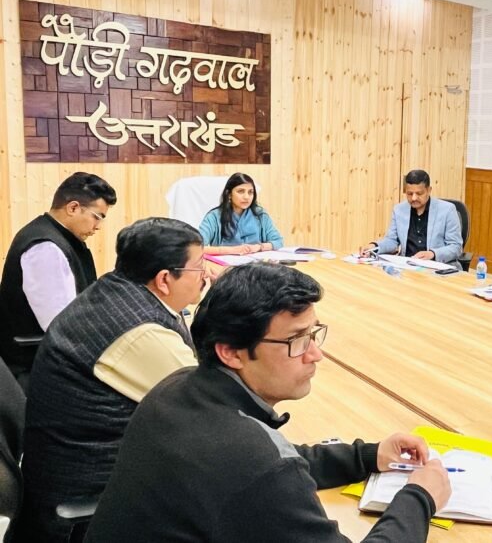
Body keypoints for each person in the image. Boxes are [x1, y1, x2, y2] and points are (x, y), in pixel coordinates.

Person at [85, 263, 450, 542]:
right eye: (296, 340)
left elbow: (277, 461)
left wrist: (367, 457)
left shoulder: (179, 387)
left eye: (313, 334)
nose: (315, 354)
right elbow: (265, 470)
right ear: (231, 352)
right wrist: (420, 496)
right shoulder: (252, 462)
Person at [15, 218, 209, 543]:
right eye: (199, 267)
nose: (206, 275)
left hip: (64, 478)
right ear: (164, 279)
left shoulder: (114, 291)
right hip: (91, 501)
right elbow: (217, 415)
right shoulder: (141, 333)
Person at [0, 172, 117, 380]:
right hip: (33, 367)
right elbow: (60, 326)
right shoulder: (45, 248)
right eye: (97, 217)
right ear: (73, 208)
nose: (98, 227)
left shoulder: (58, 239)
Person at [360, 169, 463, 268]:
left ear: (429, 190)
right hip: (406, 266)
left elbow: (456, 247)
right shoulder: (399, 210)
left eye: (419, 193)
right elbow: (392, 240)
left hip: (436, 268)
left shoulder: (447, 210)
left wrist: (433, 254)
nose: (414, 198)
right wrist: (374, 246)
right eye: (409, 194)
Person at [199, 172, 284, 255]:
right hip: (225, 263)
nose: (246, 197)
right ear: (229, 194)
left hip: (256, 263)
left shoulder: (260, 214)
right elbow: (197, 247)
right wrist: (233, 250)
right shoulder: (213, 217)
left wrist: (259, 247)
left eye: (250, 192)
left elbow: (278, 241)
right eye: (240, 191)